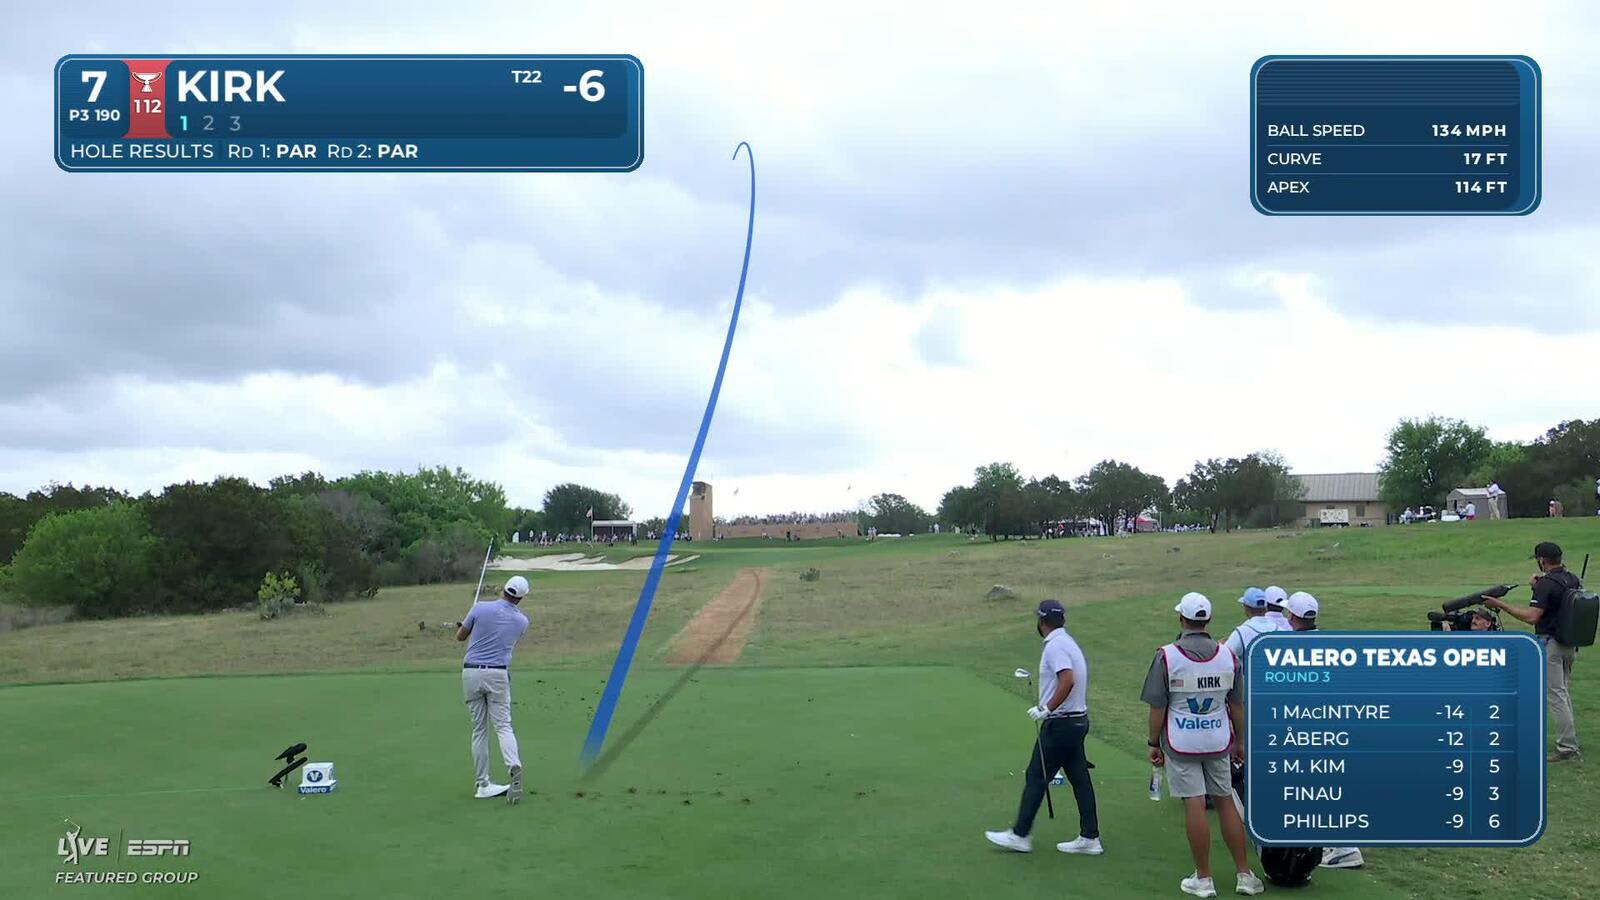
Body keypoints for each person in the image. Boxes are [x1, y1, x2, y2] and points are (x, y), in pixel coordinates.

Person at [1142, 593, 1264, 897]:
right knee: (1225, 801)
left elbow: (1157, 707)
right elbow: (1237, 705)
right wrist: (1241, 742)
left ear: (1181, 619)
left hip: (1182, 741)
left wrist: (1153, 743)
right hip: (1218, 739)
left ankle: (1204, 878)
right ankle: (1244, 874)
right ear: (1207, 620)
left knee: (1194, 802)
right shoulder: (1227, 656)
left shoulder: (1167, 656)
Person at [985, 599, 1102, 856]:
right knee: (1079, 777)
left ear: (1042, 621)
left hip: (1061, 723)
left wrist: (1046, 708)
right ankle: (1090, 837)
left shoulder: (1055, 646)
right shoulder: (1067, 642)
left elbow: (1067, 679)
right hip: (1076, 721)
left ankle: (1020, 835)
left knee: (1036, 776)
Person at [1482, 541, 1584, 762]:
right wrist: (1535, 587)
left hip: (1551, 644)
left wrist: (1500, 605)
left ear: (1542, 560)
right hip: (1569, 642)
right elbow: (1556, 605)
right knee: (1562, 693)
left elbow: (1532, 617)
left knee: (1556, 696)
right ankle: (1569, 741)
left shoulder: (1546, 584)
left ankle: (1567, 748)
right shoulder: (1572, 578)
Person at [456, 575, 532, 802]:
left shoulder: (479, 607)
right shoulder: (522, 622)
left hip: (471, 673)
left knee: (479, 730)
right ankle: (513, 763)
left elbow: (460, 637)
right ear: (521, 598)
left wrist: (467, 625)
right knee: (503, 726)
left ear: (503, 589)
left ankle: (483, 784)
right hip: (498, 674)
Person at [1224, 587, 1285, 662]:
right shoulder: (1282, 632)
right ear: (1266, 608)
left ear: (1246, 608)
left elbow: (1224, 657)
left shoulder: (1241, 633)